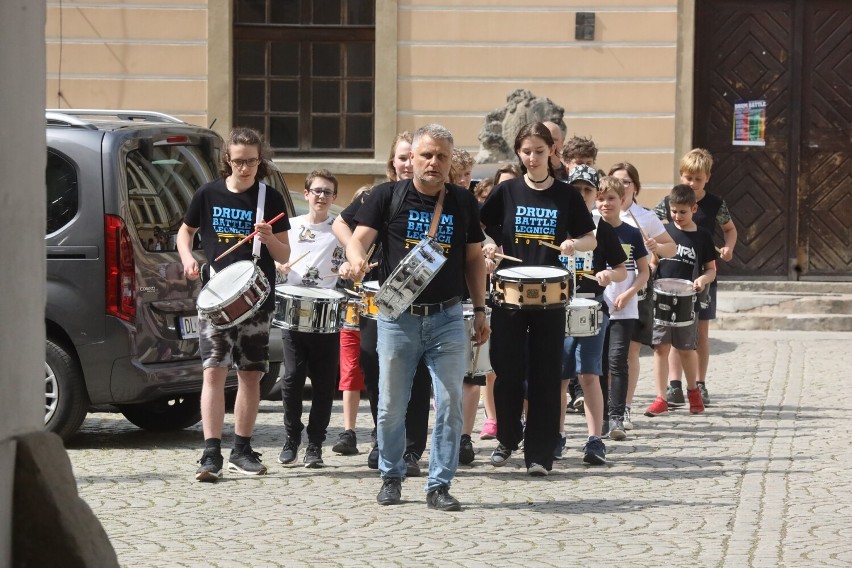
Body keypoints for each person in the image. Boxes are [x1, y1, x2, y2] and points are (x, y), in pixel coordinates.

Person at [347, 123, 489, 511]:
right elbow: (359, 237)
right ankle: (392, 475)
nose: (433, 162)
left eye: (442, 156)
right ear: (411, 158)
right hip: (397, 318)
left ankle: (439, 485)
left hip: (446, 317)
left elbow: (474, 258)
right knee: (392, 404)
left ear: (449, 160)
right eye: (426, 155)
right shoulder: (387, 196)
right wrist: (356, 258)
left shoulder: (462, 201)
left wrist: (479, 309)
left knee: (450, 404)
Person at [481, 121, 597, 476]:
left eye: (539, 152)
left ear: (552, 153)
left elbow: (590, 239)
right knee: (507, 371)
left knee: (546, 376)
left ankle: (540, 453)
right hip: (509, 295)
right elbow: (482, 228)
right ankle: (508, 437)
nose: (532, 158)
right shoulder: (507, 192)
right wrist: (488, 247)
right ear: (518, 152)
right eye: (526, 152)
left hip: (550, 297)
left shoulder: (566, 195)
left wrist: (574, 244)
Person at [178, 127, 290, 482]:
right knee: (213, 371)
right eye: (239, 161)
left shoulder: (269, 198)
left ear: (260, 160)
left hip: (256, 297)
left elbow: (286, 254)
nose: (245, 168)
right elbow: (185, 231)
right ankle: (211, 454)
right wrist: (187, 258)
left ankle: (242, 448)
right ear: (228, 159)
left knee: (251, 374)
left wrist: (270, 238)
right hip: (216, 296)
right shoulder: (207, 193)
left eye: (252, 162)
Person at [332, 132, 434, 476]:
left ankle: (411, 448)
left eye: (411, 156)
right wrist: (355, 253)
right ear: (393, 162)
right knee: (374, 361)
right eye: (402, 157)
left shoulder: (434, 197)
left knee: (417, 372)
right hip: (378, 294)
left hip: (423, 297)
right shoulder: (375, 195)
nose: (407, 163)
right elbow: (340, 224)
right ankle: (382, 436)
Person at [655, 148, 737, 406]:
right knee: (673, 328)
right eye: (688, 177)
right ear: (681, 175)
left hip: (702, 273)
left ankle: (700, 383)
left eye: (697, 179)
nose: (691, 183)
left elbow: (730, 229)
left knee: (700, 330)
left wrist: (728, 248)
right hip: (674, 276)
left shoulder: (715, 204)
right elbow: (653, 226)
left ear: (707, 178)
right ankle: (675, 384)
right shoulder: (671, 200)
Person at [557, 166, 628, 464]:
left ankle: (594, 439)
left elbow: (622, 269)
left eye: (587, 190)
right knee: (558, 377)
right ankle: (555, 436)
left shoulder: (602, 228)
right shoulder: (558, 225)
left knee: (589, 374)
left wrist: (609, 275)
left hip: (590, 306)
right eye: (576, 190)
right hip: (557, 307)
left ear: (594, 195)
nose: (581, 195)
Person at [275, 170, 345, 469]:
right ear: (306, 194)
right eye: (316, 191)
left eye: (327, 192)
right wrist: (279, 264)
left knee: (324, 383)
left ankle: (315, 444)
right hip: (293, 309)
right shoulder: (290, 227)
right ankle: (292, 438)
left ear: (334, 198)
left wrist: (348, 269)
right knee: (291, 378)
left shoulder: (340, 231)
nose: (321, 196)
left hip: (325, 314)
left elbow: (353, 260)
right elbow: (276, 258)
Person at [608, 162, 676, 430]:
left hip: (638, 290)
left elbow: (670, 248)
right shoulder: (601, 213)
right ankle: (607, 408)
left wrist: (655, 245)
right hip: (608, 293)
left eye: (627, 182)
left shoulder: (644, 217)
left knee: (630, 352)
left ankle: (624, 407)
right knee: (607, 355)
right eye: (616, 181)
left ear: (635, 187)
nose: (622, 186)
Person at [645, 184, 717, 417]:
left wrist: (703, 280)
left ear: (694, 208)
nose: (677, 216)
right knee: (660, 348)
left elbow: (711, 269)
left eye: (683, 212)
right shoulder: (664, 233)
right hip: (663, 299)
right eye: (673, 211)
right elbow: (655, 263)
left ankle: (693, 391)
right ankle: (661, 398)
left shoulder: (703, 236)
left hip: (688, 301)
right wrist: (648, 269)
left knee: (686, 349)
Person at [594, 176, 649, 442]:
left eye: (612, 198)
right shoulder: (590, 232)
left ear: (622, 200)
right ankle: (602, 415)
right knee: (600, 362)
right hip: (598, 307)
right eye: (601, 198)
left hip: (624, 308)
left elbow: (644, 272)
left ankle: (617, 416)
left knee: (618, 361)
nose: (606, 203)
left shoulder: (630, 232)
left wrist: (629, 294)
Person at [331, 185, 371, 457]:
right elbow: (339, 267)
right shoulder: (348, 242)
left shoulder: (378, 238)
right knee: (349, 374)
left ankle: (382, 432)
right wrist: (345, 267)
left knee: (379, 373)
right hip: (351, 315)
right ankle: (349, 431)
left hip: (376, 312)